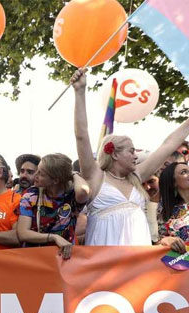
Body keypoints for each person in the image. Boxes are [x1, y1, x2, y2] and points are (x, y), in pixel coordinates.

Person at [71, 67, 189, 246]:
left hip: (137, 261)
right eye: (131, 151)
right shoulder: (95, 177)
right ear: (115, 154)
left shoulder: (136, 176)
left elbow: (169, 144)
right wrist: (80, 92)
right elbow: (82, 135)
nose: (136, 156)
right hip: (104, 259)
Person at [16, 154, 89, 259]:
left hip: (64, 258)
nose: (35, 175)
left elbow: (83, 190)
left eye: (41, 173)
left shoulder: (72, 196)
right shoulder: (31, 195)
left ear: (55, 180)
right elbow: (23, 233)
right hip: (36, 258)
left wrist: (73, 174)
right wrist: (53, 237)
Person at [157, 162, 189, 252]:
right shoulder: (166, 209)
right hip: (183, 263)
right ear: (173, 182)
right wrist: (166, 240)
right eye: (184, 172)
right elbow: (160, 240)